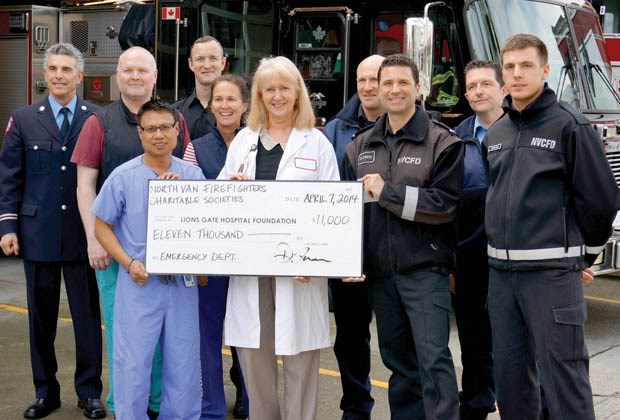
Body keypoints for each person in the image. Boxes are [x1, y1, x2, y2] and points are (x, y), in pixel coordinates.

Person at [483, 34, 619, 420]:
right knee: (511, 386)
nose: (517, 73)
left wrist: (584, 253)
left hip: (551, 278)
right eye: (509, 67)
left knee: (564, 383)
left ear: (545, 70)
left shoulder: (570, 126)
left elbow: (602, 199)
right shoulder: (496, 134)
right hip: (501, 279)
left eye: (526, 65)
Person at [71, 46, 191, 418]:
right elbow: (84, 185)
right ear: (117, 76)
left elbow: (188, 184)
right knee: (126, 340)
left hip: (169, 257)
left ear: (155, 76)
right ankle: (123, 404)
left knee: (167, 344)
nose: (135, 76)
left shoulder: (175, 120)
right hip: (117, 253)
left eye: (143, 70)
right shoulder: (98, 121)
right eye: (128, 70)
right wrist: (94, 240)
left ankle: (156, 405)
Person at [217, 56, 340, 420]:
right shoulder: (243, 141)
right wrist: (230, 190)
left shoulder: (316, 144)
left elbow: (332, 210)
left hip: (299, 270)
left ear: (298, 93)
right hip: (251, 269)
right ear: (258, 96)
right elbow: (219, 203)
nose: (277, 96)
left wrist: (316, 259)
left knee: (301, 358)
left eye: (284, 88)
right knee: (254, 358)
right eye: (268, 89)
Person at [342, 54, 463, 420]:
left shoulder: (442, 142)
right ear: (377, 88)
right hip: (381, 276)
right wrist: (350, 261)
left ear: (418, 88)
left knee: (434, 364)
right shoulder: (359, 146)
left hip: (424, 272)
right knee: (399, 367)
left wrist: (388, 193)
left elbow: (444, 206)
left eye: (403, 83)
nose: (394, 90)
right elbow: (347, 213)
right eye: (387, 83)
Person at [0, 43, 106, 419]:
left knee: (87, 318)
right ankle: (45, 392)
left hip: (83, 236)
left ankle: (90, 392)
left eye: (67, 69)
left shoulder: (97, 117)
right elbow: (9, 177)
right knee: (41, 319)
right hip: (38, 233)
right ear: (45, 75)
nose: (59, 75)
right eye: (53, 69)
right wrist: (8, 226)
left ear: (80, 76)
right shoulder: (24, 118)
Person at [92, 100, 203, 420]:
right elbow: (101, 226)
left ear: (177, 132)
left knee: (183, 361)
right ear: (140, 134)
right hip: (139, 282)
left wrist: (179, 201)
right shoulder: (123, 176)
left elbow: (208, 226)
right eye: (151, 129)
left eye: (166, 127)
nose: (159, 135)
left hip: (182, 284)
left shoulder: (192, 176)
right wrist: (127, 263)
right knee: (133, 362)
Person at [183, 74, 250, 420]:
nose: (224, 106)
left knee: (247, 332)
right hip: (211, 258)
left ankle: (247, 397)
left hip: (250, 257)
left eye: (231, 100)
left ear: (245, 105)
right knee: (206, 335)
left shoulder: (260, 144)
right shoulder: (195, 147)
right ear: (210, 106)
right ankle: (210, 405)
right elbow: (191, 206)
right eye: (218, 100)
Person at [322, 54, 385, 420]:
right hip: (349, 253)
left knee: (399, 340)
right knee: (350, 339)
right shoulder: (335, 130)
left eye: (375, 78)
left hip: (394, 251)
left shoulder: (408, 125)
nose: (368, 86)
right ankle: (356, 407)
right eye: (362, 80)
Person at [452, 60, 504, 420]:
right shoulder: (454, 140)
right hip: (469, 260)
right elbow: (447, 206)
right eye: (472, 86)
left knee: (519, 344)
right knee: (473, 343)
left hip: (516, 260)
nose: (479, 91)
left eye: (487, 83)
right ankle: (476, 406)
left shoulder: (525, 132)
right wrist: (449, 264)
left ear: (502, 88)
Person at [174, 36, 227, 139]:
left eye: (213, 59)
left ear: (223, 63)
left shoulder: (239, 112)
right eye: (200, 59)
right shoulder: (175, 112)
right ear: (191, 64)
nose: (207, 65)